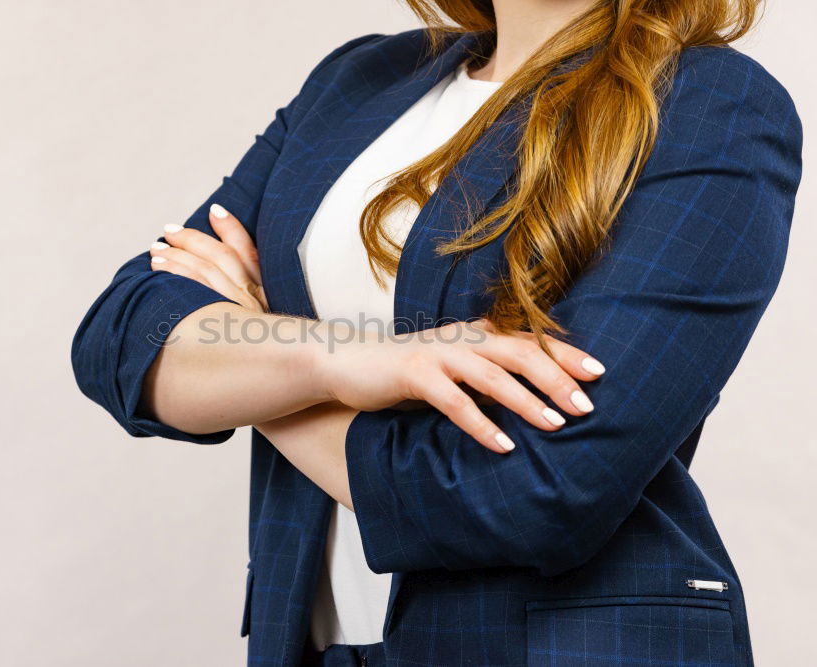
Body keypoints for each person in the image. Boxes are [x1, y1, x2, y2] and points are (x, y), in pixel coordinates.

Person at [71, 0, 803, 664]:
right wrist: (345, 359)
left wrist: (261, 358)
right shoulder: (360, 80)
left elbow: (539, 490)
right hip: (313, 644)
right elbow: (126, 336)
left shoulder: (711, 104)